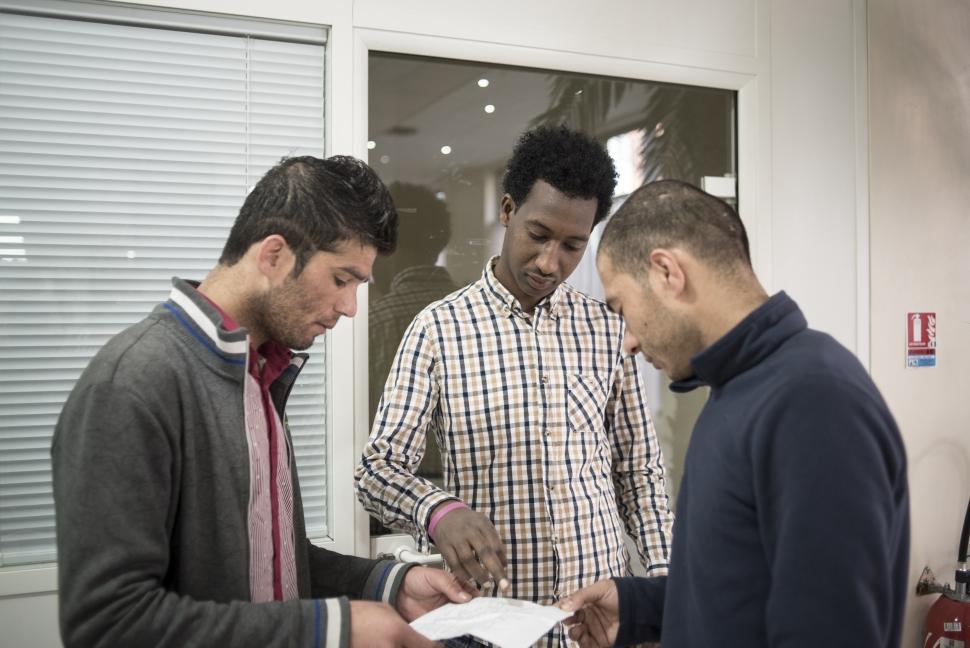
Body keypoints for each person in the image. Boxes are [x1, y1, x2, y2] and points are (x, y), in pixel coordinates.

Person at [52, 155, 474, 648]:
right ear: (274, 255)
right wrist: (333, 629)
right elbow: (108, 624)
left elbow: (271, 565)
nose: (351, 307)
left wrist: (387, 586)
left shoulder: (259, 375)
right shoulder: (133, 383)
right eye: (341, 279)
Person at [355, 126, 675, 647]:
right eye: (539, 234)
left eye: (574, 245)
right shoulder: (439, 330)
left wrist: (664, 596)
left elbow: (638, 470)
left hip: (594, 627)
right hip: (489, 627)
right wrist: (439, 511)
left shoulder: (607, 328)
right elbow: (376, 469)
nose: (551, 263)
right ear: (508, 210)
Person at [559, 179, 910, 647]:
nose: (629, 340)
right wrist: (642, 608)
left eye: (622, 308)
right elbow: (745, 586)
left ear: (667, 272)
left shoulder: (812, 400)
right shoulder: (737, 390)